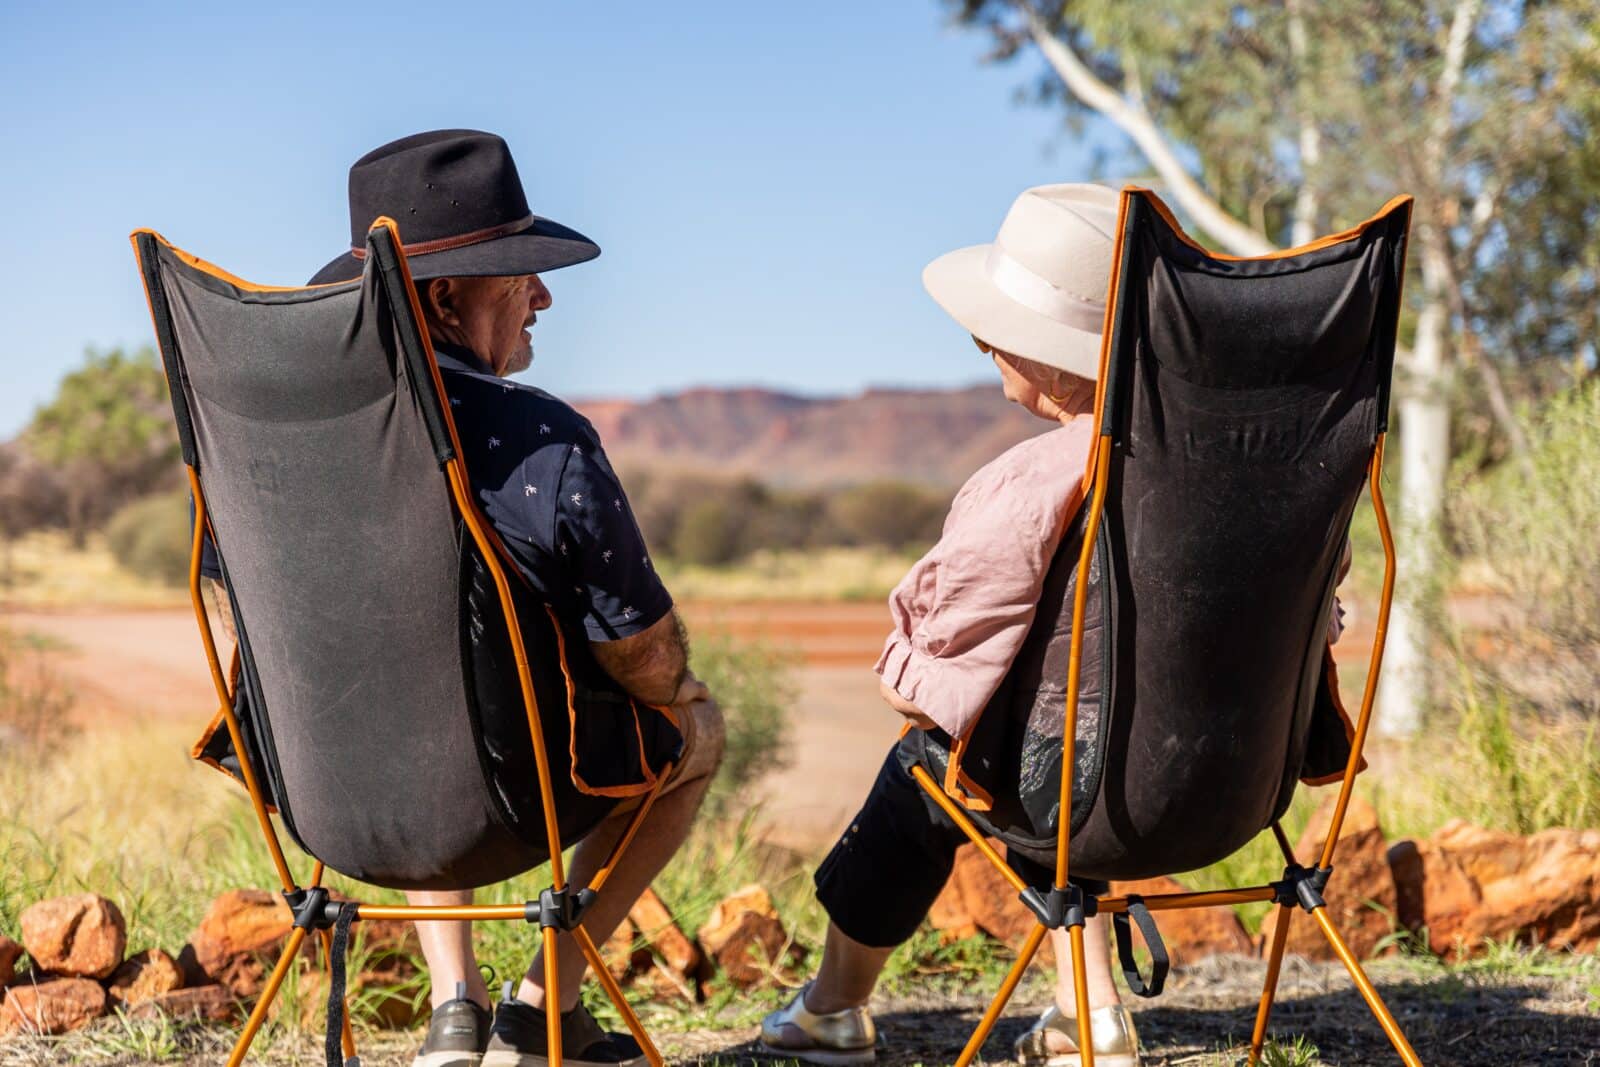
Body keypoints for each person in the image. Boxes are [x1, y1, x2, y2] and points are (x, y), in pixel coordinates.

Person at [199, 130, 724, 1067]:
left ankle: (455, 1008)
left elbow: (229, 607)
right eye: (520, 275)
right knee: (695, 730)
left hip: (321, 798)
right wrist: (676, 687)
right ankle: (541, 1009)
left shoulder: (266, 447)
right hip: (506, 804)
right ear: (445, 299)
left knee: (402, 690)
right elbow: (643, 658)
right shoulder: (538, 437)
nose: (543, 296)